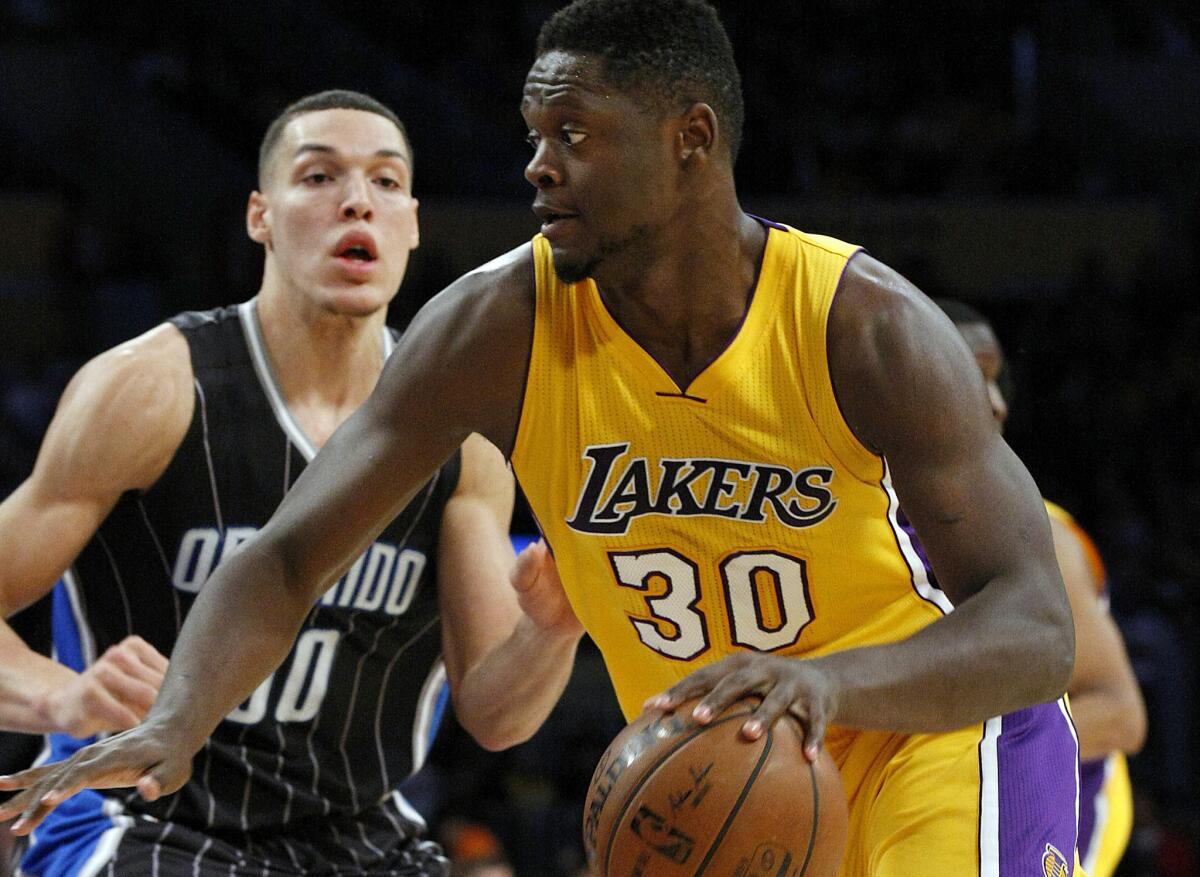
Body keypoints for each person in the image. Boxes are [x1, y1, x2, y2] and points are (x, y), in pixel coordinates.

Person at [0, 3, 1081, 874]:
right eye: (534, 136)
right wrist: (181, 719)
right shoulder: (494, 328)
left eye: (575, 134)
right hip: (718, 775)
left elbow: (1036, 627)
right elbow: (286, 554)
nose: (537, 166)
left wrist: (832, 686)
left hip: (933, 742)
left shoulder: (863, 327)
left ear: (690, 139)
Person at [0, 89, 582, 875]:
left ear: (411, 224)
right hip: (139, 820)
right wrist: (58, 699)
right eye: (317, 177)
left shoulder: (461, 434)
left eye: (385, 181)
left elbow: (495, 713)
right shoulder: (154, 389)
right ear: (259, 216)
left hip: (358, 834)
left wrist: (551, 628)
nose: (355, 201)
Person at [936, 298, 1146, 877]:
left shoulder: (1038, 533)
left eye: (997, 379)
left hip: (1057, 818)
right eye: (972, 380)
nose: (999, 404)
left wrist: (938, 743)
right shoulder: (867, 519)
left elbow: (1120, 713)